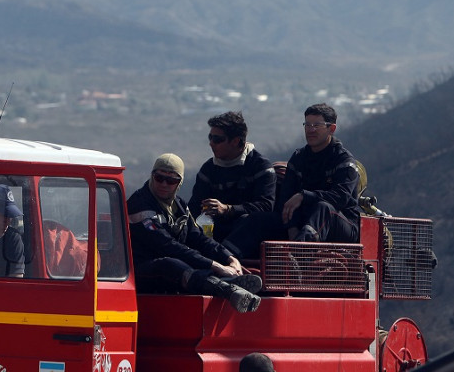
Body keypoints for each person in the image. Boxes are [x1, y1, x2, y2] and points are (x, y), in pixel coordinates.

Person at [222, 103, 361, 259]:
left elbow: (341, 197)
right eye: (307, 124)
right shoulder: (299, 158)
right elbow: (286, 200)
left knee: (323, 208)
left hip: (340, 224)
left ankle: (298, 258)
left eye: (317, 125)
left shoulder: (343, 160)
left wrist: (304, 195)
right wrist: (291, 227)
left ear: (331, 128)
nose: (311, 129)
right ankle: (224, 259)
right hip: (302, 222)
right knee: (258, 219)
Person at [127, 153, 261, 313]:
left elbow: (198, 238)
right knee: (170, 264)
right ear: (152, 176)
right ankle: (228, 290)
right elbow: (166, 245)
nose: (164, 184)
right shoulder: (139, 204)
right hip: (140, 270)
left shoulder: (180, 206)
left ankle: (228, 282)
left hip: (174, 266)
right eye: (159, 177)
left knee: (183, 263)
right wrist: (216, 266)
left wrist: (229, 258)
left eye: (171, 180)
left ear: (179, 183)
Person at [188, 111, 276, 243]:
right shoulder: (208, 169)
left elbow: (266, 206)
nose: (211, 143)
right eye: (210, 137)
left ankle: (224, 255)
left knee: (251, 220)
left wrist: (228, 209)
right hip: (214, 232)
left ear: (235, 141)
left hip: (248, 234)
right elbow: (194, 207)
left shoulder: (260, 167)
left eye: (217, 139)